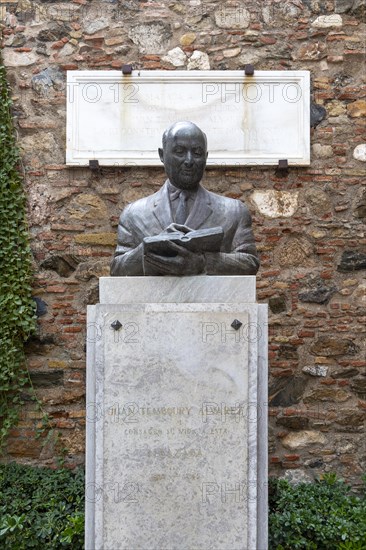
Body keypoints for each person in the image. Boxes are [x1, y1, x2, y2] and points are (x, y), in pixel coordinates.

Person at [110, 121, 259, 276]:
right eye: (179, 151)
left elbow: (250, 262)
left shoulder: (234, 212)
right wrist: (149, 248)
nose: (188, 161)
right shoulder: (133, 214)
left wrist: (204, 262)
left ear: (206, 157)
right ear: (162, 155)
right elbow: (118, 269)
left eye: (197, 153)